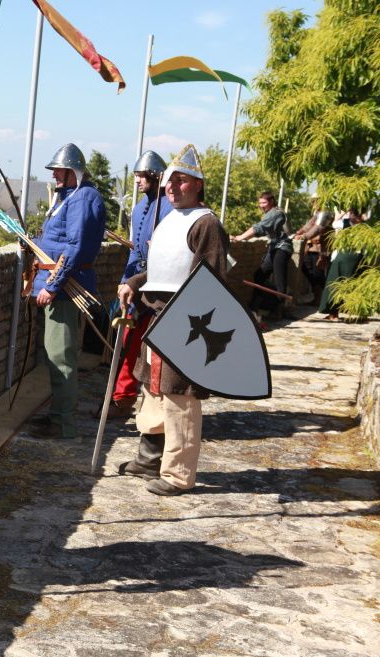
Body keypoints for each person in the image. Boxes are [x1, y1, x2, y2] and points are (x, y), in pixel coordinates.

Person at [117, 144, 230, 496]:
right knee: (153, 388)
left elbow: (209, 280)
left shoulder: (206, 223)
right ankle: (149, 458)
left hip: (187, 321)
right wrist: (133, 283)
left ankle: (178, 473)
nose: (172, 187)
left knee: (180, 396)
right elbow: (163, 269)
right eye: (169, 181)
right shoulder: (171, 220)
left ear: (197, 184)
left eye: (181, 181)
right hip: (157, 316)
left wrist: (185, 320)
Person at [29, 143, 106, 438]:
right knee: (55, 352)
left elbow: (74, 246)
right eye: (54, 171)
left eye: (61, 171)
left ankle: (63, 424)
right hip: (60, 286)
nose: (55, 176)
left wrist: (52, 285)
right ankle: (58, 418)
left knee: (60, 355)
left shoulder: (84, 197)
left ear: (75, 171)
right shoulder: (69, 196)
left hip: (64, 289)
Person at [100, 150, 171, 420]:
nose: (138, 181)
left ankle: (143, 402)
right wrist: (124, 281)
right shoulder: (140, 208)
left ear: (156, 177)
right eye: (137, 176)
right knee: (129, 342)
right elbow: (134, 251)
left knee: (148, 348)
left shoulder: (169, 207)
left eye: (142, 176)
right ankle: (122, 398)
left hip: (159, 286)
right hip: (136, 283)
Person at [231, 192, 293, 320]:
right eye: (259, 203)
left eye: (263, 203)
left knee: (280, 281)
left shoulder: (276, 213)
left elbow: (259, 228)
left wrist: (240, 237)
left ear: (271, 202)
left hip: (282, 249)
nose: (261, 206)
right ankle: (255, 308)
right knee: (259, 275)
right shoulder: (270, 213)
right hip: (274, 247)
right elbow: (262, 231)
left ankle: (279, 310)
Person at [318, 208, 364, 320]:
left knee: (335, 282)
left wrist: (342, 213)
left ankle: (334, 313)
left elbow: (334, 223)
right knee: (352, 283)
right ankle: (358, 313)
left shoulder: (344, 223)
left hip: (344, 256)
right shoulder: (364, 227)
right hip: (356, 256)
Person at [293, 203, 334, 306]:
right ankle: (318, 297)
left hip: (321, 249)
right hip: (310, 248)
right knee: (308, 271)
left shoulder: (327, 213)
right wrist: (298, 233)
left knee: (318, 274)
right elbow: (308, 226)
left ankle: (325, 299)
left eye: (316, 201)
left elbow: (318, 228)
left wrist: (304, 236)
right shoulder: (317, 214)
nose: (313, 203)